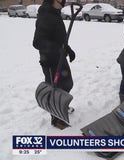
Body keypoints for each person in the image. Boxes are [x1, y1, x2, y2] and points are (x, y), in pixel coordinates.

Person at [33, 0, 76, 129]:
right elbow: (37, 42)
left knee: (68, 83)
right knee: (55, 89)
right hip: (50, 61)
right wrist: (57, 49)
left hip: (59, 58)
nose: (63, 3)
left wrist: (67, 49)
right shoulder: (46, 16)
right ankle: (56, 119)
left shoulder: (55, 14)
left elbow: (58, 38)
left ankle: (61, 105)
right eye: (60, 0)